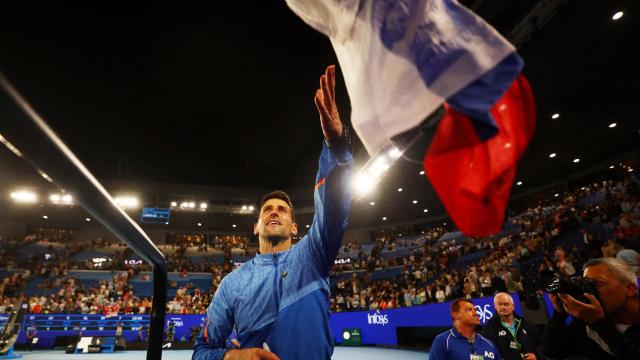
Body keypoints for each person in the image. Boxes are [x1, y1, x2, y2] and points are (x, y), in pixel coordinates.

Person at [192, 65, 352, 360]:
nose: (274, 212)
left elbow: (333, 207)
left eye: (282, 210)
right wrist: (231, 357)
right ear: (256, 227)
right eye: (267, 210)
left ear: (294, 227)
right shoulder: (232, 284)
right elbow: (202, 352)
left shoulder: (313, 256)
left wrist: (337, 146)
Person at [544, 257, 640, 359]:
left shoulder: (595, 319)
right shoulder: (590, 319)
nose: (589, 291)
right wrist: (559, 313)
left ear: (630, 289)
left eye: (597, 283)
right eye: (585, 285)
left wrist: (598, 323)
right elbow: (554, 351)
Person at [430, 298, 502, 360]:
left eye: (475, 310)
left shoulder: (489, 344)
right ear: (456, 315)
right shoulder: (443, 341)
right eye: (469, 310)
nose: (476, 313)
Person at [481, 292, 544, 360]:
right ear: (495, 306)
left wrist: (536, 356)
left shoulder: (526, 323)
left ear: (513, 306)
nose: (503, 307)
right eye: (500, 304)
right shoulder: (489, 328)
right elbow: (488, 352)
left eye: (506, 304)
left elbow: (540, 343)